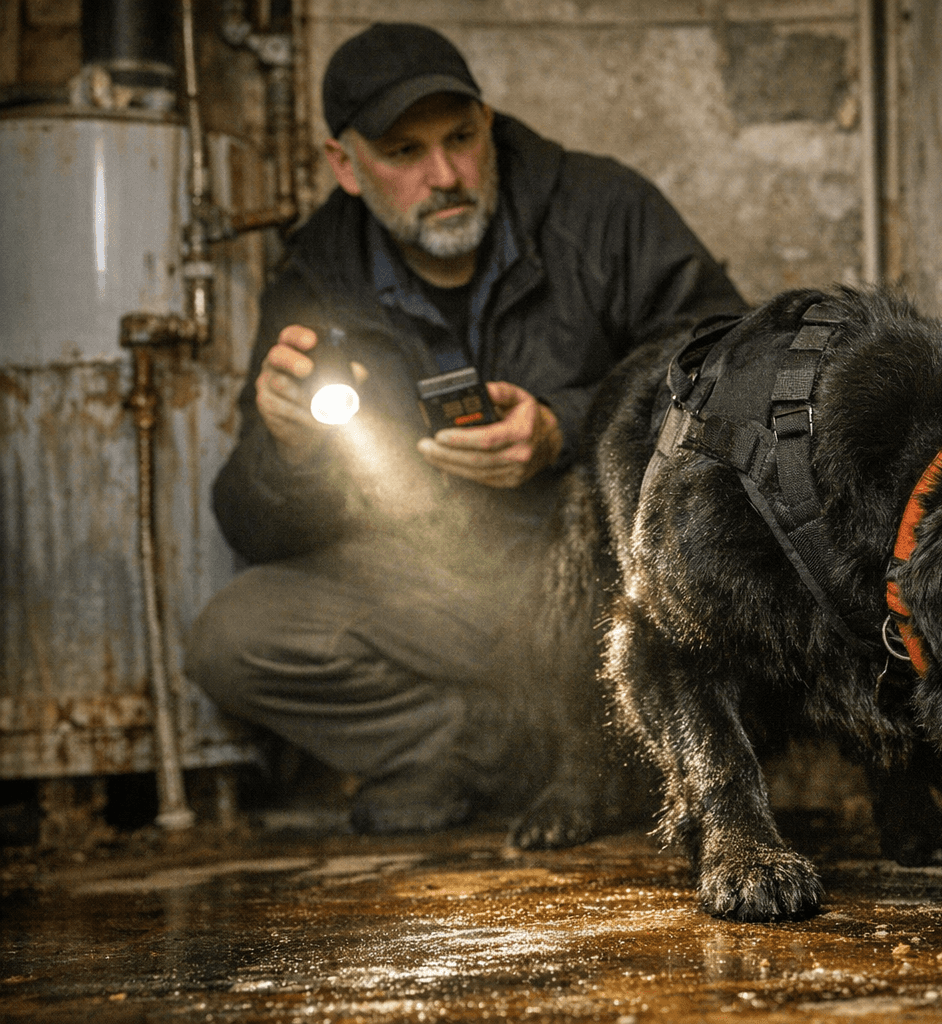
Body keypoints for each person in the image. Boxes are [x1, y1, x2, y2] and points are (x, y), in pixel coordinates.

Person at [186, 22, 746, 834]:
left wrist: (565, 428)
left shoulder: (602, 209)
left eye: (459, 138)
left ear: (489, 122)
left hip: (600, 574)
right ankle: (496, 755)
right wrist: (292, 452)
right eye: (403, 154)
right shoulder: (315, 275)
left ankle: (609, 752)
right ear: (345, 165)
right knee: (233, 638)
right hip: (440, 585)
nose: (444, 175)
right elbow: (249, 524)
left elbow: (727, 366)